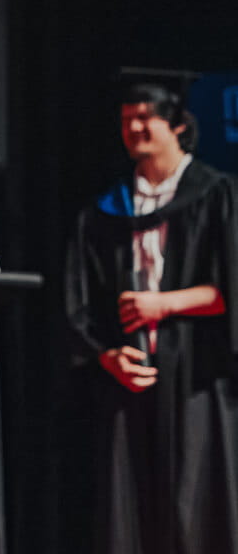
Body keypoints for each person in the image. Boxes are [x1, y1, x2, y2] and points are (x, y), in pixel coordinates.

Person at [64, 69, 238, 554]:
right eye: (126, 120)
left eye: (145, 119)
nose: (134, 130)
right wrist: (106, 355)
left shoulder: (217, 194)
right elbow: (80, 303)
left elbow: (233, 288)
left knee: (196, 502)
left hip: (198, 374)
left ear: (178, 125)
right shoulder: (106, 211)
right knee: (131, 507)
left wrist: (164, 303)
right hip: (130, 376)